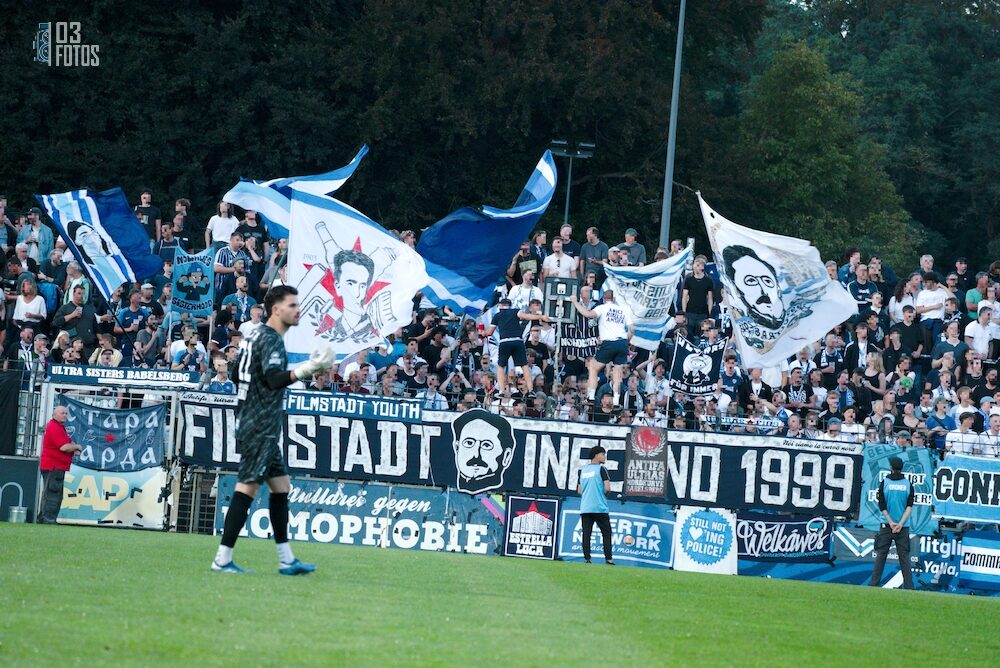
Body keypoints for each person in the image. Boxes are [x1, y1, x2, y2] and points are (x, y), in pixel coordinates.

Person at [212, 286, 334, 574]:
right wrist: (308, 369)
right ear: (276, 309)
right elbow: (274, 379)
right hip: (260, 424)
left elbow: (234, 373)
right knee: (247, 488)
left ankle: (286, 559)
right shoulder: (271, 340)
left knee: (281, 487)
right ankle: (222, 559)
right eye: (292, 305)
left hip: (255, 420)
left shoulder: (253, 336)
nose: (297, 310)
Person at [571, 290, 634, 407]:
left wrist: (575, 302)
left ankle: (590, 397)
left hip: (609, 343)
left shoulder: (602, 308)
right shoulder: (623, 310)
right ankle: (616, 402)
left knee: (593, 368)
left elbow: (587, 314)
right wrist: (627, 341)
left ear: (604, 299)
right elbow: (632, 329)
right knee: (617, 373)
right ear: (613, 299)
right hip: (622, 343)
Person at [482, 298, 549, 395]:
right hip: (518, 341)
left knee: (501, 367)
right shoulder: (515, 311)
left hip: (505, 342)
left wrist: (483, 333)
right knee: (524, 366)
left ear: (500, 306)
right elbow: (526, 316)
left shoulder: (497, 315)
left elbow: (490, 332)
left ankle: (501, 390)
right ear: (510, 305)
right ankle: (530, 390)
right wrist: (541, 316)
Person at [868, 456, 914, 590]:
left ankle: (873, 584)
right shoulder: (907, 484)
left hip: (886, 525)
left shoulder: (885, 482)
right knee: (904, 558)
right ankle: (909, 587)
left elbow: (882, 505)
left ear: (891, 468)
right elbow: (909, 507)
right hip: (903, 527)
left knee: (881, 555)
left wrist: (891, 522)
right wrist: (900, 524)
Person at [37, 405, 82, 524]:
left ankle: (43, 518)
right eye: (62, 413)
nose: (65, 415)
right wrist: (77, 447)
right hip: (54, 466)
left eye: (66, 413)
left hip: (53, 466)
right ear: (55, 414)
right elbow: (64, 447)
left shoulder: (58, 427)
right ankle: (49, 520)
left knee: (49, 493)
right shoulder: (54, 427)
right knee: (53, 494)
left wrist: (72, 448)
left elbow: (67, 443)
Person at [577, 445, 614, 565]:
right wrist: (602, 495)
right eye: (603, 454)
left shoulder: (583, 470)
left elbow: (579, 490)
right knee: (606, 533)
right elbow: (607, 488)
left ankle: (587, 559)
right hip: (599, 507)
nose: (604, 457)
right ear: (596, 455)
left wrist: (588, 494)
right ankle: (608, 559)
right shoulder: (601, 469)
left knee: (586, 534)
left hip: (586, 507)